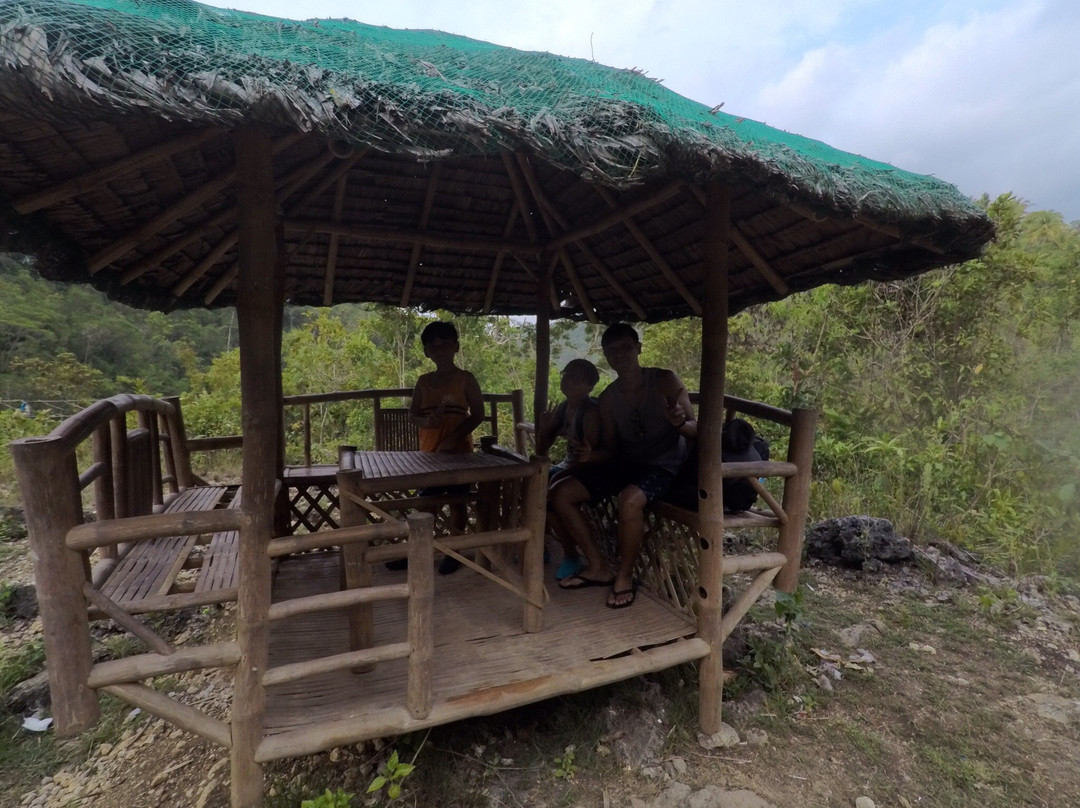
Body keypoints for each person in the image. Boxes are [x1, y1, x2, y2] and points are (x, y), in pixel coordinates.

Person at [549, 323, 697, 608]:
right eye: (612, 350)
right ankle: (598, 567)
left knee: (629, 500)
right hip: (627, 464)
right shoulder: (608, 398)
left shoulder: (664, 380)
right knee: (560, 494)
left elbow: (696, 430)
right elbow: (610, 449)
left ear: (638, 348)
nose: (620, 355)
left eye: (626, 347)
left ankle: (624, 576)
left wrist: (679, 423)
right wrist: (590, 456)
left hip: (665, 465)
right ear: (606, 356)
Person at [396, 320, 485, 574]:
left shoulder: (466, 379)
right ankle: (417, 550)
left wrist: (455, 437)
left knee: (457, 503)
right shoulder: (423, 382)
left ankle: (454, 552)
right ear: (426, 352)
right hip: (429, 455)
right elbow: (412, 415)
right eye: (433, 347)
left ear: (456, 346)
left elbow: (478, 414)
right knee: (426, 503)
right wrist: (427, 421)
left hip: (459, 455)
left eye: (445, 344)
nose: (440, 351)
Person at [536, 358, 602, 581]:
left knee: (551, 495)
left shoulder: (590, 412)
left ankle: (571, 554)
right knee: (535, 484)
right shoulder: (564, 408)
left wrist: (563, 473)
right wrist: (544, 428)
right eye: (566, 376)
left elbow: (590, 459)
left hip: (592, 469)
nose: (569, 382)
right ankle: (541, 545)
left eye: (577, 379)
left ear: (589, 386)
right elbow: (542, 448)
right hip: (570, 466)